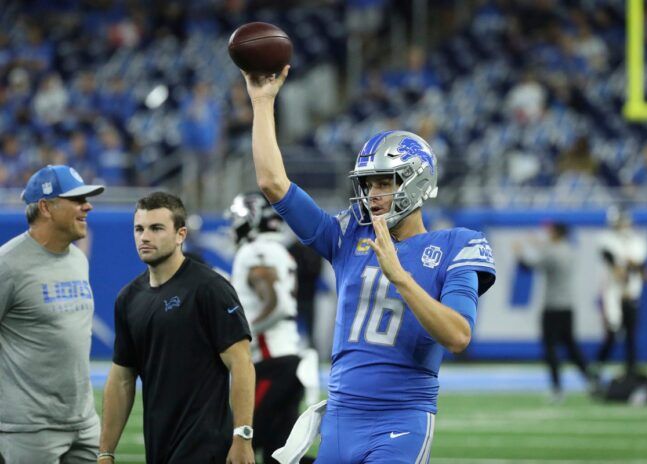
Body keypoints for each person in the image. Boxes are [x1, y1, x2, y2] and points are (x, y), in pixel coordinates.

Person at [242, 66, 496, 463]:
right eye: (368, 184)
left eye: (384, 182)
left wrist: (401, 277)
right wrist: (262, 100)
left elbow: (458, 336)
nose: (373, 194)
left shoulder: (456, 245)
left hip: (401, 417)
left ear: (415, 181)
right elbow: (274, 183)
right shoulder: (349, 235)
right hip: (341, 416)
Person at [99, 192, 255, 464]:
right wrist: (105, 452)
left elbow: (241, 363)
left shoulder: (210, 288)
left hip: (207, 446)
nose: (144, 237)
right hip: (159, 446)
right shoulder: (128, 298)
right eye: (139, 229)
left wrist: (242, 437)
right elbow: (122, 377)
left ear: (180, 234)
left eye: (156, 228)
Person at [0, 165, 104, 463]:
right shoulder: (8, 265)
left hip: (84, 423)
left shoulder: (77, 260)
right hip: (29, 431)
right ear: (45, 207)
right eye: (77, 199)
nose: (88, 206)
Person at [228, 192, 315, 464]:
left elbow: (277, 306)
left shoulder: (256, 250)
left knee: (236, 444)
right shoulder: (279, 251)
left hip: (270, 364)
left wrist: (242, 336)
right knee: (280, 457)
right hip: (288, 363)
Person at [513, 223, 596, 402]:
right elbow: (547, 250)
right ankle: (591, 380)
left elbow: (530, 265)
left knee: (550, 348)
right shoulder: (570, 249)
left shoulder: (552, 251)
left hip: (553, 307)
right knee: (572, 346)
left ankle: (557, 389)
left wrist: (519, 252)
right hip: (568, 305)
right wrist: (538, 243)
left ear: (557, 234)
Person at [596, 207, 647, 377]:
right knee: (612, 334)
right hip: (613, 295)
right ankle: (598, 367)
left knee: (631, 337)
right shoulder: (607, 240)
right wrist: (629, 265)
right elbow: (616, 267)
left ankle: (631, 371)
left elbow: (644, 273)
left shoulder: (636, 242)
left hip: (631, 294)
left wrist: (636, 267)